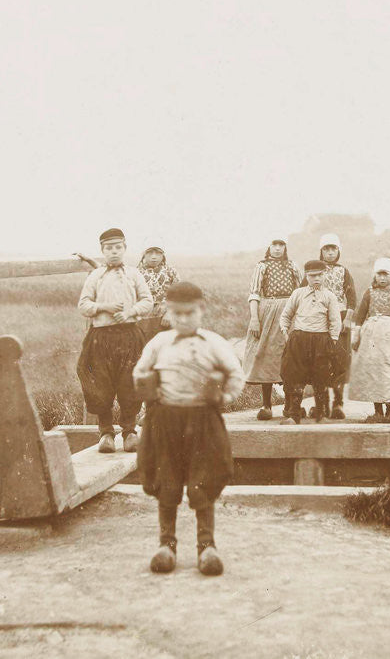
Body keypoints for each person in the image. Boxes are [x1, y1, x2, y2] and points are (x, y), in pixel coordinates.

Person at [134, 281, 245, 577]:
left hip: (202, 421)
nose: (183, 319)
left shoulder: (214, 343)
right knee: (166, 480)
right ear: (168, 313)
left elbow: (235, 374)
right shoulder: (158, 344)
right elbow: (140, 372)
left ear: (202, 310)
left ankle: (206, 547)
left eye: (189, 312)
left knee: (203, 481)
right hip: (166, 421)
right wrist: (149, 391)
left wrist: (224, 396)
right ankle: (166, 546)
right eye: (176, 313)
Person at [76, 228, 154, 454]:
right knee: (100, 385)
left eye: (118, 247)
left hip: (129, 337)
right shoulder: (96, 276)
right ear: (102, 250)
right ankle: (106, 433)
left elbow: (147, 301)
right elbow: (83, 305)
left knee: (130, 383)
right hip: (101, 339)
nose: (114, 252)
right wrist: (104, 307)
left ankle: (129, 432)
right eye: (109, 248)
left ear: (125, 249)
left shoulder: (134, 274)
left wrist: (130, 312)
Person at [243, 236, 300, 420]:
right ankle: (266, 405)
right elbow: (254, 293)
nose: (277, 248)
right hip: (267, 312)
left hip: (289, 312)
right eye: (274, 245)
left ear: (285, 247)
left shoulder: (292, 266)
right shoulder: (262, 266)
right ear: (269, 246)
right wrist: (254, 319)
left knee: (289, 355)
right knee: (264, 355)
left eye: (281, 245)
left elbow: (299, 292)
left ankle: (289, 404)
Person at [279, 260, 343, 424]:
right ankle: (294, 414)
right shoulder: (298, 294)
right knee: (296, 376)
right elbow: (286, 315)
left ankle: (320, 415)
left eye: (320, 275)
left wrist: (333, 340)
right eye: (312, 276)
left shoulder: (329, 296)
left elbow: (335, 321)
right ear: (306, 276)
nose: (316, 279)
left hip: (321, 340)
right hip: (299, 339)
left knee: (320, 377)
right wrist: (286, 333)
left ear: (324, 275)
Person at [303, 233, 356, 419]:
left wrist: (348, 320)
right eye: (326, 249)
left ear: (338, 251)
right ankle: (321, 406)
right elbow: (302, 294)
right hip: (318, 320)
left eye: (333, 249)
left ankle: (338, 404)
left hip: (340, 318)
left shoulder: (343, 271)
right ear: (321, 251)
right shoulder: (313, 271)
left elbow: (352, 298)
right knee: (319, 361)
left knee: (339, 359)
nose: (330, 252)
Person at [349, 257, 390, 419]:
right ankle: (377, 411)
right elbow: (361, 314)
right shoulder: (369, 293)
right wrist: (356, 335)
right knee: (372, 369)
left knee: (389, 369)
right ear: (374, 276)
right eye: (379, 275)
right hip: (371, 335)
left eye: (386, 275)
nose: (382, 278)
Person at [136, 243, 181, 344]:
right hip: (142, 321)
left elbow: (179, 295)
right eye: (150, 253)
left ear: (163, 255)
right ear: (144, 254)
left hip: (166, 320)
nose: (154, 256)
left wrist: (170, 313)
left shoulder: (171, 272)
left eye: (158, 253)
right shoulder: (136, 273)